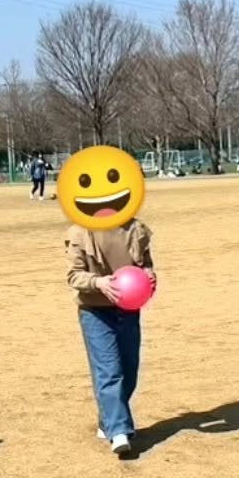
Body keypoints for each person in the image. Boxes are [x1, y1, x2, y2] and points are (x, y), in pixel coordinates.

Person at [63, 170, 156, 459]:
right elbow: (74, 276)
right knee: (109, 371)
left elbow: (147, 266)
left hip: (129, 310)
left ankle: (108, 419)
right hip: (95, 311)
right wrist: (99, 282)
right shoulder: (79, 232)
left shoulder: (136, 230)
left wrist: (150, 276)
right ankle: (119, 431)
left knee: (129, 371)